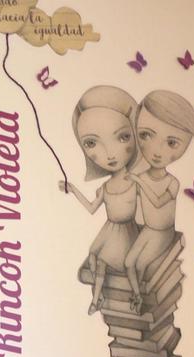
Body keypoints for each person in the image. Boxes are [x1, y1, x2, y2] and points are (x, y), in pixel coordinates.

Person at [58, 85, 142, 314]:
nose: (110, 153)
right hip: (110, 230)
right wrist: (73, 189)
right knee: (96, 257)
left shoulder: (137, 182)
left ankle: (136, 295)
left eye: (122, 137)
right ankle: (97, 300)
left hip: (127, 232)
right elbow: (92, 208)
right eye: (92, 143)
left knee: (128, 265)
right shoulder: (105, 187)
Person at [124, 90, 194, 313]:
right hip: (148, 230)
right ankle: (137, 296)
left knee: (142, 266)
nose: (157, 151)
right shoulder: (141, 177)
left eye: (172, 143)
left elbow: (157, 202)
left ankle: (143, 300)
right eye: (146, 135)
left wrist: (139, 181)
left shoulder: (172, 182)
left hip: (163, 232)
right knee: (129, 263)